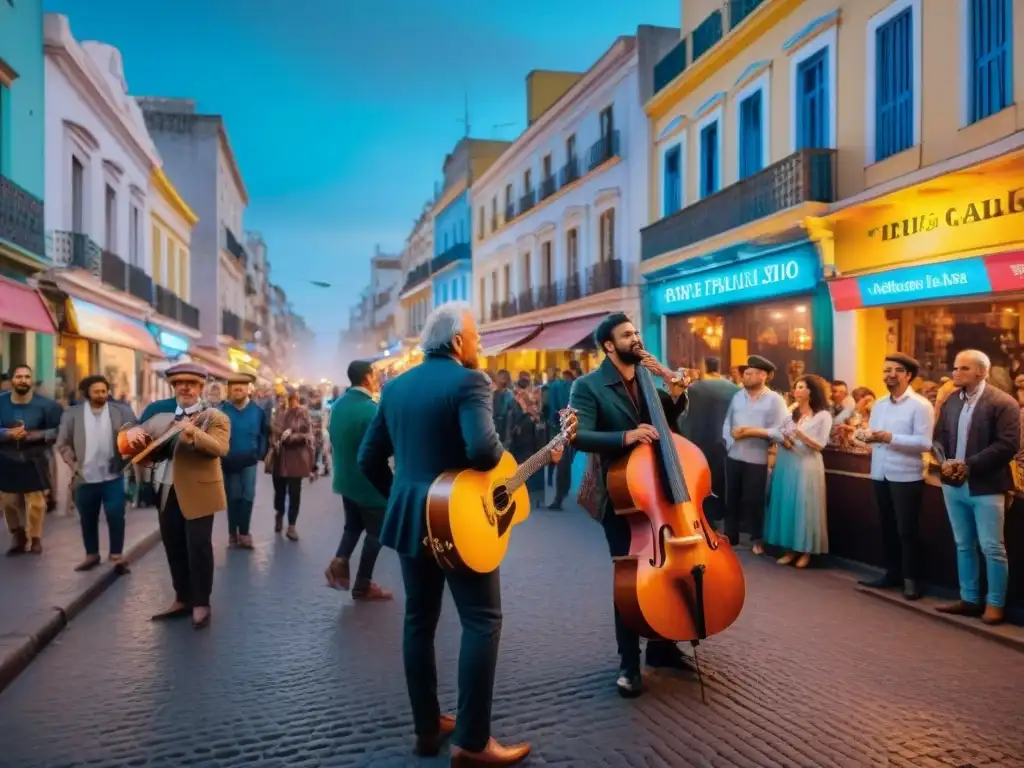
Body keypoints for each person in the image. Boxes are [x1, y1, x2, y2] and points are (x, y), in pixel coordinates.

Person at [358, 301, 532, 766]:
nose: (479, 345)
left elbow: (367, 459)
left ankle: (426, 726)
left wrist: (402, 494)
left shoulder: (395, 387)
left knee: (419, 621)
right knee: (482, 620)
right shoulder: (470, 381)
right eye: (476, 337)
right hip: (459, 520)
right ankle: (473, 744)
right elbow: (482, 450)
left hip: (412, 517)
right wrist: (498, 452)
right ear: (457, 342)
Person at [567, 313, 690, 698]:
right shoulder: (588, 386)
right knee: (631, 581)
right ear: (608, 345)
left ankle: (663, 646)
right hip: (621, 497)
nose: (636, 339)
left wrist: (675, 394)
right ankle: (628, 662)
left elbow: (667, 424)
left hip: (661, 489)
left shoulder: (648, 380)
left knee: (670, 571)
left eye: (636, 332)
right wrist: (627, 436)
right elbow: (579, 436)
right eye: (627, 335)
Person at [121, 362, 230, 629]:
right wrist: (130, 431)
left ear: (200, 388)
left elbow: (220, 448)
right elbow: (134, 431)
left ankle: (201, 602)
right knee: (173, 546)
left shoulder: (214, 416)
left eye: (191, 384)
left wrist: (194, 435)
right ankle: (182, 597)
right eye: (180, 383)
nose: (185, 388)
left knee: (199, 547)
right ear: (174, 387)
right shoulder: (159, 412)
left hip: (200, 490)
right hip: (165, 491)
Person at [933, 349, 1019, 626]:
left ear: (982, 372)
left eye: (963, 369)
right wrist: (944, 462)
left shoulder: (1003, 402)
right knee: (963, 545)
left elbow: (1007, 445)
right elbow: (938, 438)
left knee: (992, 547)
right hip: (952, 484)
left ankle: (995, 604)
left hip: (987, 485)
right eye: (956, 368)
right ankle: (969, 599)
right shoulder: (950, 402)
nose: (955, 373)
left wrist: (968, 464)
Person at [852, 353, 933, 600]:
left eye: (897, 370)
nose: (890, 375)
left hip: (906, 476)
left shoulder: (920, 405)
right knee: (887, 527)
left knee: (907, 530)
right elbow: (873, 435)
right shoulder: (879, 405)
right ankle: (891, 574)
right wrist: (864, 436)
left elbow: (924, 442)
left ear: (908, 375)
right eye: (887, 370)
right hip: (880, 472)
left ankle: (911, 581)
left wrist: (890, 438)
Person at [325, 360, 392, 600]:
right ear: (366, 378)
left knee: (353, 525)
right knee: (378, 531)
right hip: (368, 482)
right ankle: (363, 584)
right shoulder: (370, 409)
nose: (377, 379)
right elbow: (382, 446)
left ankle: (340, 561)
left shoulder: (338, 404)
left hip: (345, 479)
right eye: (374, 375)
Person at [56, 375, 137, 571]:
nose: (101, 395)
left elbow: (137, 435)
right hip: (85, 476)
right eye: (96, 392)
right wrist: (72, 463)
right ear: (87, 394)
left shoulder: (121, 411)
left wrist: (128, 454)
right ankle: (91, 554)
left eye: (104, 391)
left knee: (116, 514)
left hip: (113, 474)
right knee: (87, 517)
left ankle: (116, 555)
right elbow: (62, 442)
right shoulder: (72, 414)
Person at [762, 375, 833, 569]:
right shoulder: (791, 411)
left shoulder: (822, 416)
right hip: (787, 460)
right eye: (796, 387)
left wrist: (799, 433)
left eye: (801, 387)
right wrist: (784, 438)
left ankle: (806, 551)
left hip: (807, 464)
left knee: (805, 505)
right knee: (788, 503)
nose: (796, 390)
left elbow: (820, 444)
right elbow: (778, 432)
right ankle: (789, 549)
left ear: (812, 391)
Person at [721, 356, 789, 555]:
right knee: (731, 497)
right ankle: (730, 537)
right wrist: (728, 439)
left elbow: (782, 430)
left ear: (763, 376)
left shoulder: (775, 400)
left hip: (757, 458)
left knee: (755, 500)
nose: (745, 377)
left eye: (750, 374)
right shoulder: (737, 396)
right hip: (734, 454)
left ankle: (758, 539)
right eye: (745, 373)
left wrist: (755, 431)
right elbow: (727, 422)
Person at [0, 364, 63, 555]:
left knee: (36, 501)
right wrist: (6, 433)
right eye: (19, 377)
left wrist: (37, 435)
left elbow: (60, 429)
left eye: (27, 377)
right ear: (12, 380)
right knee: (9, 500)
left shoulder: (48, 405)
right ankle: (18, 535)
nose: (23, 380)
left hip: (35, 456)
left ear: (31, 380)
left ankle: (35, 538)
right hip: (6, 456)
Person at [679, 356, 739, 523]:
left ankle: (705, 516)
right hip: (727, 441)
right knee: (722, 479)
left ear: (704, 366)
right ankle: (722, 514)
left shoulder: (695, 388)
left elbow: (686, 417)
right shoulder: (735, 389)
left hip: (700, 440)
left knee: (702, 480)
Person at [219, 373, 269, 549]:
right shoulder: (221, 411)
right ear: (229, 389)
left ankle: (245, 533)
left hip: (249, 460)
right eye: (234, 385)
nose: (238, 388)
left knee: (248, 496)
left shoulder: (258, 411)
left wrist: (260, 454)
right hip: (229, 460)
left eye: (242, 385)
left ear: (249, 388)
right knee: (233, 497)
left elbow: (264, 434)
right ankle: (233, 533)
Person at [268, 389, 314, 541]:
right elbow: (272, 431)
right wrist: (275, 438)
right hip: (279, 456)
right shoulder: (277, 413)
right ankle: (279, 514)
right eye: (283, 398)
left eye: (290, 398)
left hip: (296, 458)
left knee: (295, 493)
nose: (286, 401)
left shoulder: (302, 413)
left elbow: (309, 434)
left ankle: (292, 525)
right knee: (279, 491)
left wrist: (293, 437)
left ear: (296, 398)